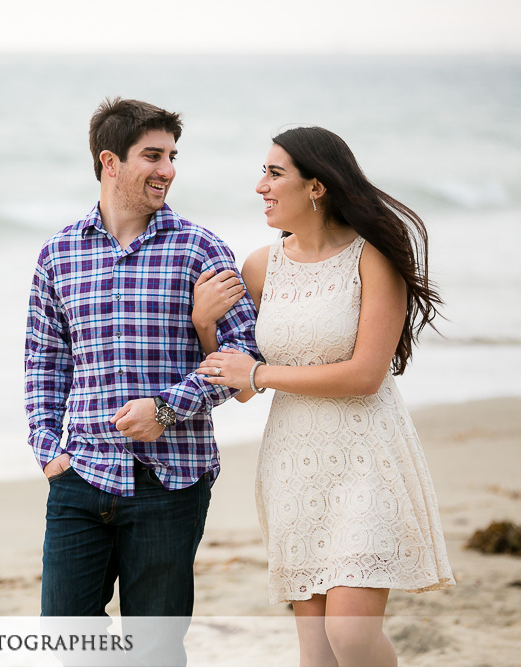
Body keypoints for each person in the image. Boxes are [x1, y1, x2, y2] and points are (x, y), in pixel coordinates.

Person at [194, 126, 455, 667]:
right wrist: (205, 325)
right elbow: (238, 387)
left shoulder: (373, 258)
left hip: (366, 458)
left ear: (316, 186)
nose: (260, 185)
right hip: (294, 464)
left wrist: (260, 374)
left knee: (351, 637)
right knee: (316, 653)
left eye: (274, 173)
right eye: (262, 172)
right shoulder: (260, 267)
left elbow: (365, 375)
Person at [23, 97, 259, 663]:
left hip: (170, 483)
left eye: (173, 156)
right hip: (80, 475)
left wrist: (168, 408)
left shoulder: (201, 249)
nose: (168, 169)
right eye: (152, 155)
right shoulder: (58, 254)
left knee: (154, 648)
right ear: (110, 161)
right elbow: (44, 362)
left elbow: (244, 356)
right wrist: (48, 448)